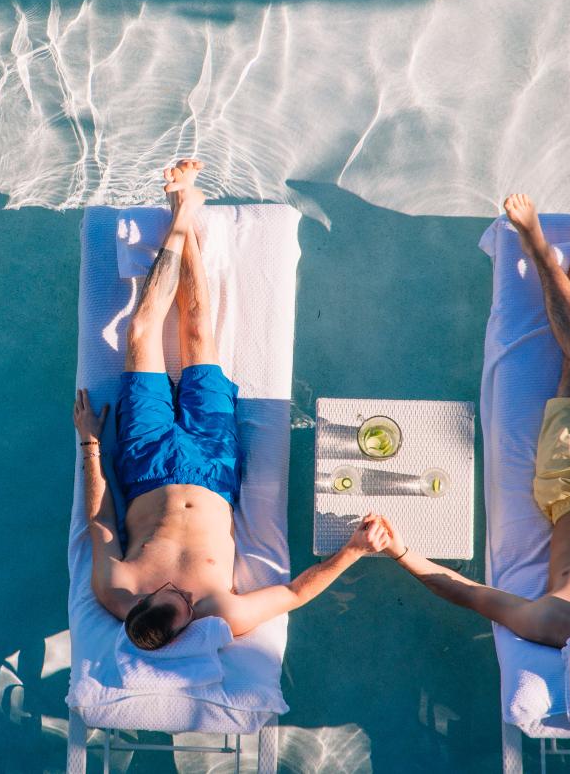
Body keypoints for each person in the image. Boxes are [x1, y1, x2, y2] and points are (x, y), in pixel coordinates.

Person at [73, 158, 387, 651]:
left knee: (139, 332)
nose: (179, 591)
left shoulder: (118, 590)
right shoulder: (218, 611)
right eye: (182, 602)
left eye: (168, 592)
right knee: (198, 331)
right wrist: (354, 551)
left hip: (145, 461)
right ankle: (186, 211)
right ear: (186, 627)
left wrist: (91, 443)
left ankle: (181, 219)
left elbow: (99, 521)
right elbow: (291, 593)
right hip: (213, 463)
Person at [377, 193, 570, 648]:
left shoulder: (553, 624)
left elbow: (470, 594)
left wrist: (400, 552)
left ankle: (540, 252)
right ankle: (541, 254)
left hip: (567, 482)